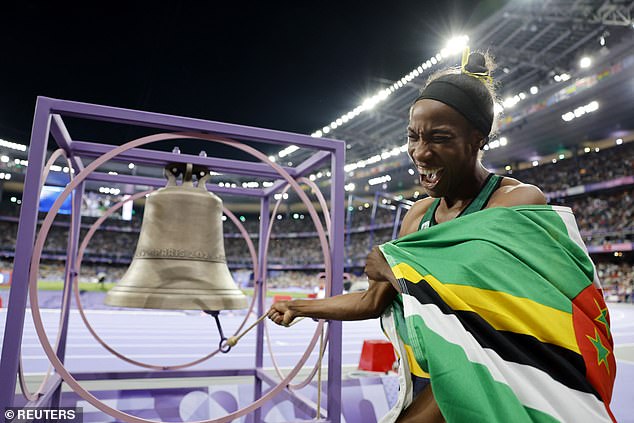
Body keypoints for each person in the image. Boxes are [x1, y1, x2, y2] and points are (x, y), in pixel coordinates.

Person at [268, 50, 615, 422]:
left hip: (494, 379)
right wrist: (301, 308)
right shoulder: (419, 215)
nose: (420, 152)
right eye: (413, 137)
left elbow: (481, 306)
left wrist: (394, 269)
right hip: (428, 379)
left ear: (478, 139)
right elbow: (373, 302)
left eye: (440, 138)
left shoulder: (517, 202)